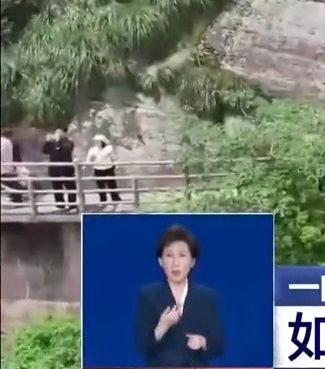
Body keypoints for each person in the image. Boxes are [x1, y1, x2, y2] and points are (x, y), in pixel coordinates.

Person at [134, 224, 225, 367]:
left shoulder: (207, 297)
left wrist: (203, 342)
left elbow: (220, 344)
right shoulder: (148, 295)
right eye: (169, 255)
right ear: (160, 261)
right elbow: (142, 346)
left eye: (182, 255)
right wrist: (162, 326)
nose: (175, 263)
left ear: (192, 261)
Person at [42, 129, 76, 208]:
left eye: (60, 132)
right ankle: (60, 205)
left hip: (66, 169)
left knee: (70, 187)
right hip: (54, 169)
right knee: (57, 187)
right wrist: (47, 141)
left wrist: (58, 142)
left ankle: (72, 205)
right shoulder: (51, 143)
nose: (58, 134)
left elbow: (67, 149)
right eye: (56, 133)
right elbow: (45, 151)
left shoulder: (68, 142)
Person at [85, 134, 122, 206]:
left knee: (112, 185)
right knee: (100, 186)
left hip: (108, 168)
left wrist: (116, 165)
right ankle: (103, 200)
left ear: (103, 142)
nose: (97, 143)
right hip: (98, 169)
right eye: (96, 141)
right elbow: (88, 161)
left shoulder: (109, 148)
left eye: (99, 141)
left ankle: (116, 199)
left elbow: (113, 158)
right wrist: (91, 161)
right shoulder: (92, 150)